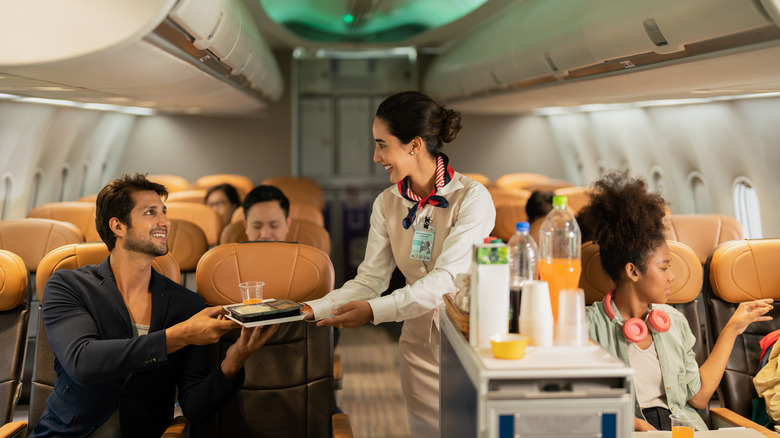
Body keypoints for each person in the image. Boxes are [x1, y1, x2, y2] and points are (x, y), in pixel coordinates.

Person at [302, 91, 496, 436]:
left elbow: (447, 279)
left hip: (469, 338)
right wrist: (311, 309)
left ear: (414, 145)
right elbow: (370, 280)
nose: (376, 157)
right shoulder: (387, 203)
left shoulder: (472, 198)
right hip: (418, 337)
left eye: (382, 145)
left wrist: (373, 312)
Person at [31, 174, 278, 438]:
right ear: (118, 226)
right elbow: (82, 361)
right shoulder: (69, 286)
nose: (165, 222)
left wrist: (234, 360)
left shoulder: (186, 304)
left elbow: (194, 407)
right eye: (151, 213)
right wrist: (179, 335)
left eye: (164, 212)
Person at [580, 170, 772, 432]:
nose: (672, 277)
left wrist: (733, 328)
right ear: (633, 271)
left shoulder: (673, 322)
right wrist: (631, 423)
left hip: (683, 429)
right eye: (664, 268)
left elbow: (700, 397)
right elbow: (578, 401)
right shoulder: (587, 328)